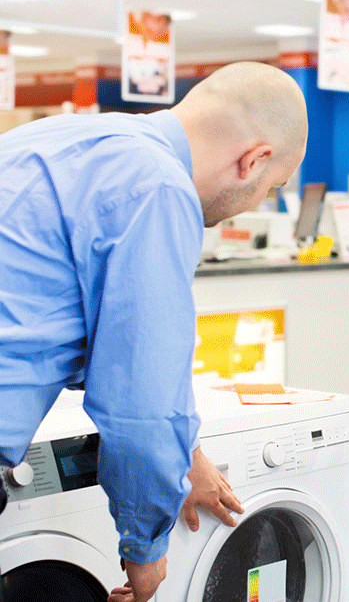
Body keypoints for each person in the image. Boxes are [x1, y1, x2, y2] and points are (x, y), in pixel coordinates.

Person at [0, 61, 308, 602]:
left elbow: (92, 335)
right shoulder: (160, 190)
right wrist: (145, 547)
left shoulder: (61, 139)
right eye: (271, 187)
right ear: (253, 160)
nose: (256, 205)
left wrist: (186, 451)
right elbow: (139, 398)